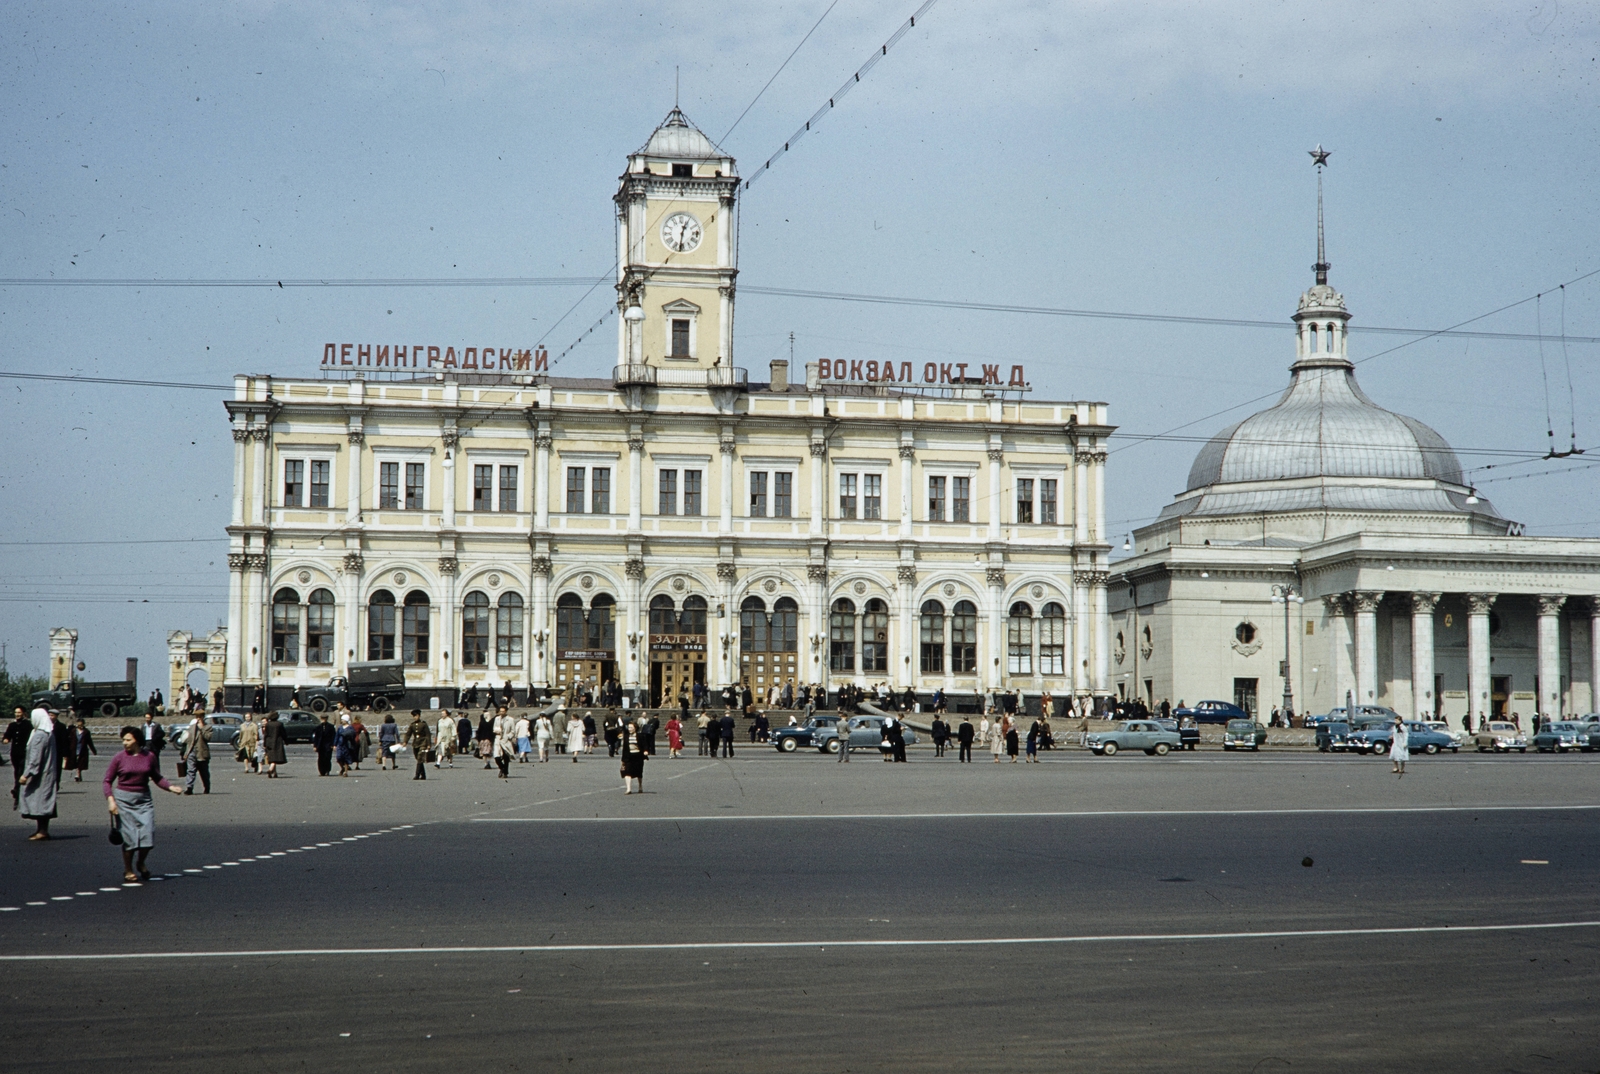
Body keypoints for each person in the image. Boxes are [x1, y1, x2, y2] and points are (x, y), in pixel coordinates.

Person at [105, 725, 185, 881]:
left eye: (128, 740)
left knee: (147, 836)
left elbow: (157, 777)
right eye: (123, 740)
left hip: (143, 800)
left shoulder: (149, 756)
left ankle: (140, 863)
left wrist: (170, 787)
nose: (124, 743)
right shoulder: (119, 758)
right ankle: (128, 870)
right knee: (129, 838)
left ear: (137, 740)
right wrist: (111, 800)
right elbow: (107, 781)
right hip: (123, 800)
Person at [19, 706, 60, 839]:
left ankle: (42, 831)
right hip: (47, 773)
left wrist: (26, 774)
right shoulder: (48, 733)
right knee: (43, 801)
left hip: (40, 774)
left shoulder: (39, 735)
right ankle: (42, 830)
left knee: (39, 800)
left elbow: (35, 759)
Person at [183, 714, 212, 793]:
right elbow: (188, 741)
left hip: (202, 752)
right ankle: (189, 788)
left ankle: (207, 787)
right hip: (192, 751)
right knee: (190, 770)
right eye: (197, 717)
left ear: (203, 717)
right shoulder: (192, 727)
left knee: (204, 772)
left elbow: (208, 738)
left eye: (200, 717)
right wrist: (186, 753)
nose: (198, 719)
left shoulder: (208, 727)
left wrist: (202, 728)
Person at [619, 716, 647, 794]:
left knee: (638, 772)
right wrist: (623, 759)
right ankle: (628, 789)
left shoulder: (640, 736)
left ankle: (640, 786)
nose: (629, 729)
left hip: (638, 756)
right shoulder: (626, 736)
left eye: (631, 727)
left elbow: (644, 745)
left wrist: (645, 751)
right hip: (628, 756)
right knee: (627, 772)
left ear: (635, 728)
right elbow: (624, 748)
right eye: (629, 727)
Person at [404, 710, 433, 780]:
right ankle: (423, 775)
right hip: (416, 743)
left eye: (416, 716)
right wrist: (405, 741)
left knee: (420, 758)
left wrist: (429, 744)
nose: (415, 717)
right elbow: (408, 734)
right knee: (418, 759)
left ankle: (417, 775)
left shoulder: (423, 724)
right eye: (414, 716)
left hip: (423, 742)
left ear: (419, 716)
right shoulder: (412, 725)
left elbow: (428, 734)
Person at [261, 710, 288, 778]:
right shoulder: (279, 724)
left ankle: (275, 773)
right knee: (275, 759)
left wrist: (264, 744)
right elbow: (283, 733)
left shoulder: (268, 724)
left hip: (269, 742)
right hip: (277, 742)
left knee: (271, 757)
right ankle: (270, 769)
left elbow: (266, 734)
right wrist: (286, 741)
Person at [70, 716, 97, 783]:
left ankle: (77, 775)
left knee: (80, 762)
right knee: (76, 762)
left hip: (82, 749)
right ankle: (78, 774)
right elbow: (69, 740)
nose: (80, 724)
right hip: (74, 748)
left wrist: (93, 750)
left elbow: (89, 741)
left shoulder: (86, 732)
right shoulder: (73, 731)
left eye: (81, 723)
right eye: (79, 723)